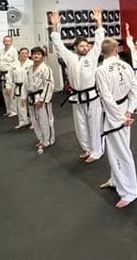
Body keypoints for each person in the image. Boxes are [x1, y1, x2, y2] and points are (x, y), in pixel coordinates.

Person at [50, 9, 105, 163]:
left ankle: (97, 151)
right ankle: (87, 148)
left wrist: (98, 21)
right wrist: (55, 26)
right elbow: (58, 44)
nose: (86, 48)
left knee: (94, 124)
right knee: (80, 125)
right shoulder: (70, 58)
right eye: (82, 46)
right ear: (75, 48)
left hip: (92, 96)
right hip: (76, 96)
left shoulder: (93, 56)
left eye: (87, 45)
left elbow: (99, 41)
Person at [96, 38, 137, 208]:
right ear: (116, 51)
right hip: (122, 110)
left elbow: (106, 98)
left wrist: (121, 118)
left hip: (115, 114)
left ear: (102, 52)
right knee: (116, 150)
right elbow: (135, 90)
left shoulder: (101, 70)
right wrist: (129, 110)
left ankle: (129, 192)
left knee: (121, 152)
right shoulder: (127, 66)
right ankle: (115, 179)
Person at [27, 46, 55, 154]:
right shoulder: (29, 68)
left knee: (45, 120)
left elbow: (49, 85)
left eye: (38, 54)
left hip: (41, 96)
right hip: (31, 96)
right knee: (35, 120)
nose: (36, 55)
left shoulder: (45, 68)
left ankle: (48, 140)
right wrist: (25, 96)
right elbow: (27, 83)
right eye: (34, 54)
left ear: (42, 56)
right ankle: (41, 139)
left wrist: (42, 100)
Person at [9, 47, 31, 129]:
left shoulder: (31, 63)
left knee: (30, 105)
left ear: (28, 54)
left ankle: (33, 121)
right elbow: (9, 75)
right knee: (20, 104)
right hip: (17, 86)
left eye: (26, 53)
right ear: (19, 54)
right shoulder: (14, 64)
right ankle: (23, 121)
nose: (24, 55)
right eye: (22, 53)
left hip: (28, 86)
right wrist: (9, 85)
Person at [0, 35, 18, 117]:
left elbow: (16, 63)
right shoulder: (2, 51)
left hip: (10, 74)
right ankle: (8, 110)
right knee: (5, 93)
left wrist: (14, 75)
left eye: (8, 41)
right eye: (5, 41)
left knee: (11, 92)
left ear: (11, 42)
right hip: (2, 74)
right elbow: (0, 63)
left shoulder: (14, 51)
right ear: (3, 42)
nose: (7, 42)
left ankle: (14, 111)